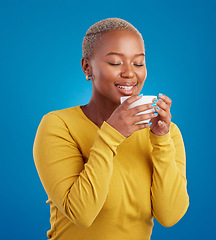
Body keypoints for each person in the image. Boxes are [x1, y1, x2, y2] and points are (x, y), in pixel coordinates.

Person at [33, 18, 189, 240]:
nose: (129, 73)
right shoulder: (59, 125)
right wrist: (110, 135)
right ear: (87, 67)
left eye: (138, 63)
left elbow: (169, 216)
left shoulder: (166, 133)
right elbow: (81, 214)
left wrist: (161, 141)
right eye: (116, 63)